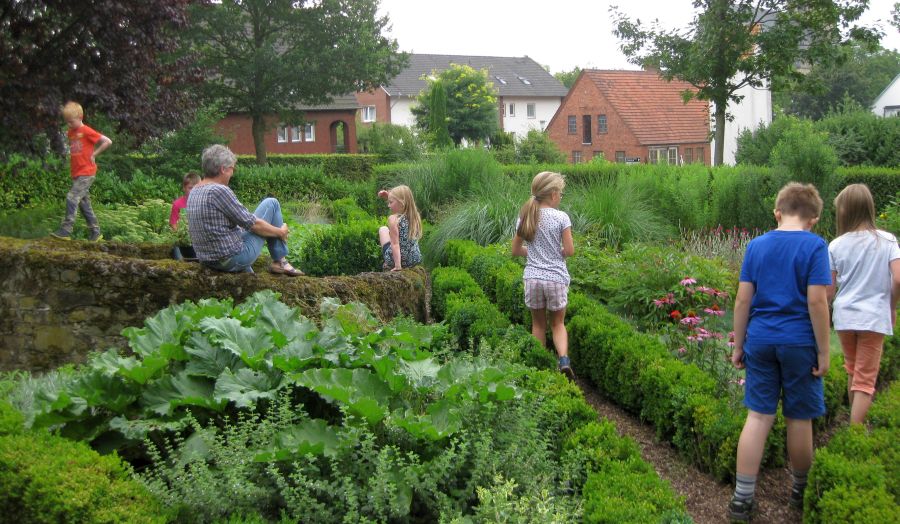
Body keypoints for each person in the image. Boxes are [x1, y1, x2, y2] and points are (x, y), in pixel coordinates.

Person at [728, 182, 831, 522]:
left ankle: (742, 499)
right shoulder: (816, 247)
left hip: (761, 339)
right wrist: (824, 351)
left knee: (757, 417)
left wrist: (739, 344)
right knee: (799, 418)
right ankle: (799, 493)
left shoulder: (756, 246)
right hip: (800, 342)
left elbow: (743, 299)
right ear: (813, 219)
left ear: (777, 212)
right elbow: (817, 301)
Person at [827, 183, 900, 425]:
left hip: (845, 318)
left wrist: (825, 314)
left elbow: (829, 289)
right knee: (866, 381)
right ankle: (855, 433)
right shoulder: (887, 241)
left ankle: (851, 420)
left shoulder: (836, 245)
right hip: (873, 317)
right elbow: (898, 278)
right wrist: (892, 306)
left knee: (852, 370)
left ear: (845, 212)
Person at [186, 144, 302, 276]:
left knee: (251, 223)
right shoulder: (218, 191)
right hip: (230, 259)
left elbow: (226, 225)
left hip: (206, 259)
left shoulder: (195, 190)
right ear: (223, 169)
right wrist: (280, 232)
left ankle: (269, 265)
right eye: (232, 169)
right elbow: (252, 224)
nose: (232, 173)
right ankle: (280, 261)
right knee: (272, 203)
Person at [511, 171, 575, 378]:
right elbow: (570, 250)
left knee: (538, 325)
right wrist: (557, 255)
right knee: (558, 324)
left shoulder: (526, 215)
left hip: (533, 279)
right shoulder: (561, 217)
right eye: (561, 193)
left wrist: (534, 254)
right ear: (554, 194)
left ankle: (539, 367)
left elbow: (515, 250)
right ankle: (563, 360)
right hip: (556, 278)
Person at [51, 101, 112, 241]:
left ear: (80, 117)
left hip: (87, 173)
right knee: (84, 204)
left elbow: (107, 141)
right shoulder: (71, 132)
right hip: (77, 173)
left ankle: (66, 230)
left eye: (71, 122)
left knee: (71, 197)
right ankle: (95, 233)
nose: (69, 125)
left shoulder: (86, 131)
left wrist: (94, 154)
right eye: (66, 122)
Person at [376, 185, 422, 271]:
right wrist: (389, 195)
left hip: (396, 260)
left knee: (383, 229)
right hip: (413, 259)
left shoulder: (394, 219)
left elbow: (395, 244)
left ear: (402, 202)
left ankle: (391, 262)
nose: (388, 206)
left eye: (391, 202)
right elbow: (402, 199)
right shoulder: (415, 216)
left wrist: (397, 266)